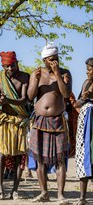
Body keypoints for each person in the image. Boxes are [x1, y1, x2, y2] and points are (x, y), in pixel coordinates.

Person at [27, 43, 72, 204]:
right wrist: (36, 80)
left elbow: (66, 93)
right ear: (45, 60)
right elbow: (30, 96)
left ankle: (60, 195)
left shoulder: (65, 73)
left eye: (57, 59)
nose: (55, 62)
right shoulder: (37, 73)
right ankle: (44, 192)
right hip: (40, 121)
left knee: (60, 159)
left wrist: (58, 73)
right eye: (51, 60)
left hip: (58, 121)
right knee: (39, 159)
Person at [0, 51, 30, 200]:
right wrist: (0, 102)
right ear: (2, 66)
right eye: (6, 66)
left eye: (12, 65)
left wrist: (9, 101)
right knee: (0, 154)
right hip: (4, 121)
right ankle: (0, 190)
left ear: (17, 63)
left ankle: (15, 190)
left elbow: (24, 100)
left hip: (19, 121)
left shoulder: (25, 77)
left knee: (18, 156)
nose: (10, 69)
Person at [74, 57, 93, 205]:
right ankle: (82, 197)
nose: (87, 72)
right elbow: (78, 102)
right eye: (87, 69)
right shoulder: (86, 83)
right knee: (83, 154)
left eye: (90, 69)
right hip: (85, 121)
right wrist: (84, 97)